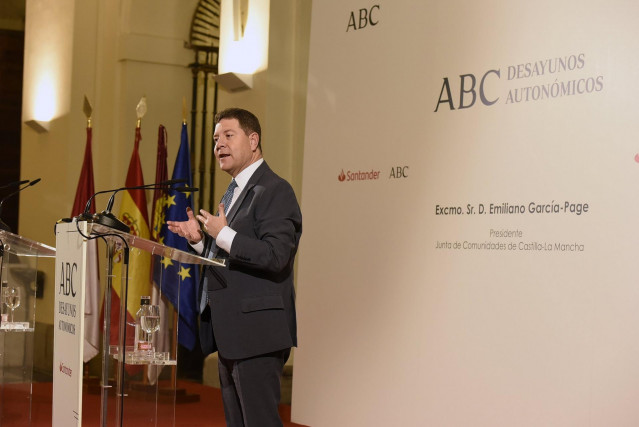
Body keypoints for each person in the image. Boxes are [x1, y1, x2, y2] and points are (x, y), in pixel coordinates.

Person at [167, 108, 302, 427]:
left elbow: (276, 254)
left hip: (257, 333)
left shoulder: (274, 191)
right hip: (231, 332)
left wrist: (223, 234)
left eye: (228, 136)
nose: (219, 145)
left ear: (253, 140)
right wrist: (200, 241)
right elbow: (230, 255)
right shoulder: (234, 191)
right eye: (215, 139)